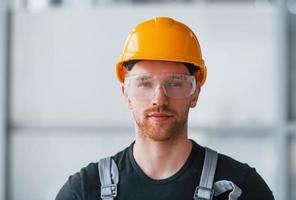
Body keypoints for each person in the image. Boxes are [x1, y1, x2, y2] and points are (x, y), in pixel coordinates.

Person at [56, 17, 274, 200]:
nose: (159, 99)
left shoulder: (241, 189)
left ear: (195, 93)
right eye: (144, 83)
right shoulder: (83, 191)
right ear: (126, 95)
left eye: (175, 83)